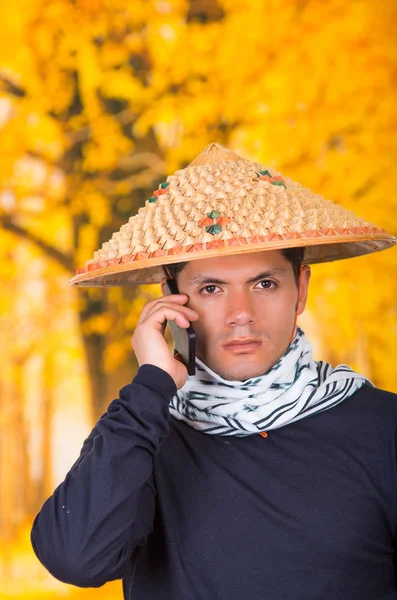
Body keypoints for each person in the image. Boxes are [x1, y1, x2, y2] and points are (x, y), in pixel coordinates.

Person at [31, 144, 397, 599]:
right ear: (169, 299)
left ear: (300, 290)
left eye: (265, 283)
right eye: (211, 288)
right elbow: (74, 558)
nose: (240, 314)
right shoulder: (141, 437)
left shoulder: (384, 429)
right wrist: (152, 386)